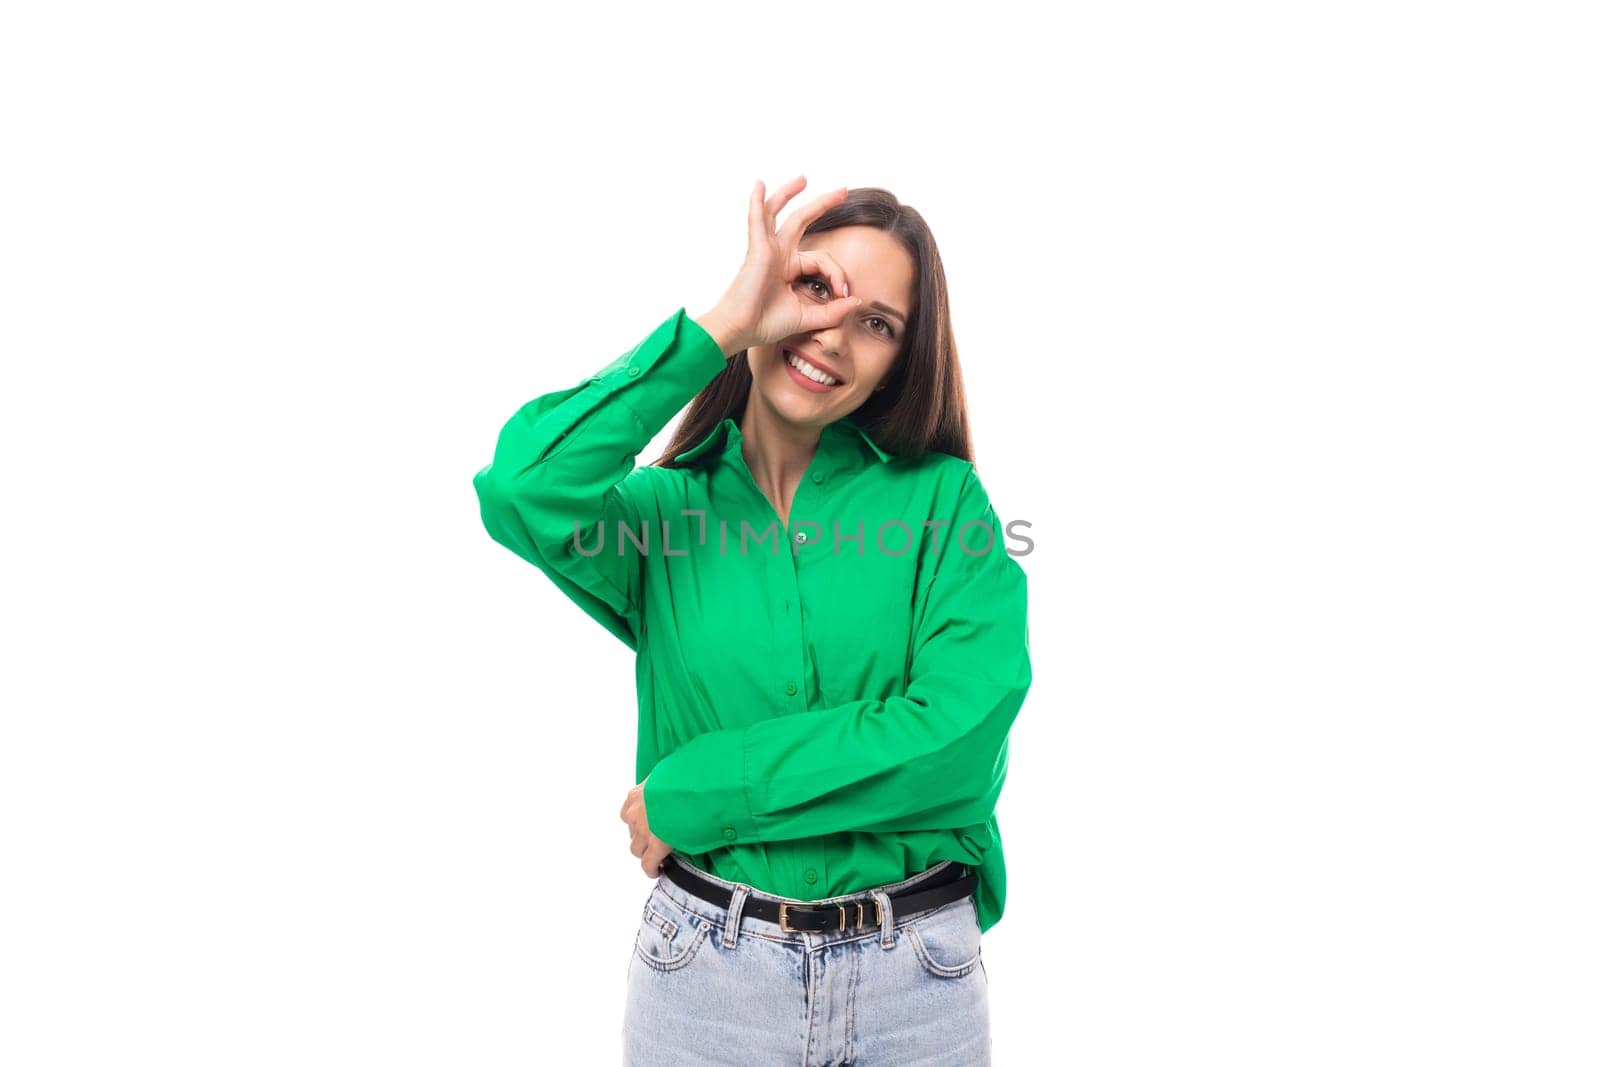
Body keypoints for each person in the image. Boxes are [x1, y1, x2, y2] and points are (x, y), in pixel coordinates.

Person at [472, 176, 1032, 1065]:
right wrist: (724, 325)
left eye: (878, 324)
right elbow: (520, 487)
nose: (833, 338)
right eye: (816, 289)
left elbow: (955, 742)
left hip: (916, 987)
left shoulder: (941, 505)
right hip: (707, 982)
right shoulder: (659, 520)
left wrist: (697, 789)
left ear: (902, 356)